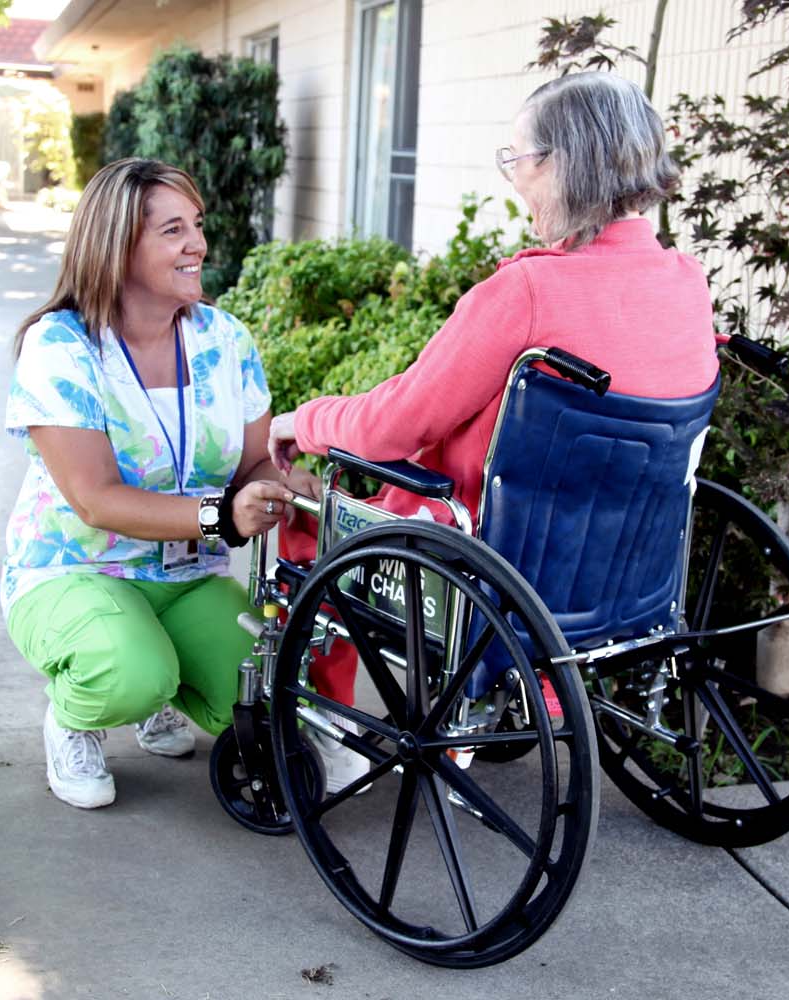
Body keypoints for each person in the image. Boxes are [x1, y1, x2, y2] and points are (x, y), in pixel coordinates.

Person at [269, 73, 722, 788]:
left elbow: (394, 425)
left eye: (518, 160)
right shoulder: (687, 284)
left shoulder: (528, 292)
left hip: (482, 560)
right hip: (628, 575)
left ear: (562, 162)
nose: (515, 181)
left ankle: (330, 732)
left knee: (307, 520)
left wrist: (306, 420)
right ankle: (535, 672)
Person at [2, 158, 293, 810]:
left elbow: (253, 464)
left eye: (197, 225)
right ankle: (80, 716)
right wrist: (223, 516)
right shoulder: (60, 348)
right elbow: (96, 498)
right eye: (172, 231)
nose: (198, 245)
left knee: (266, 696)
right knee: (131, 672)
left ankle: (154, 682)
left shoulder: (225, 339)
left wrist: (278, 486)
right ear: (117, 246)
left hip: (183, 578)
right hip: (76, 571)